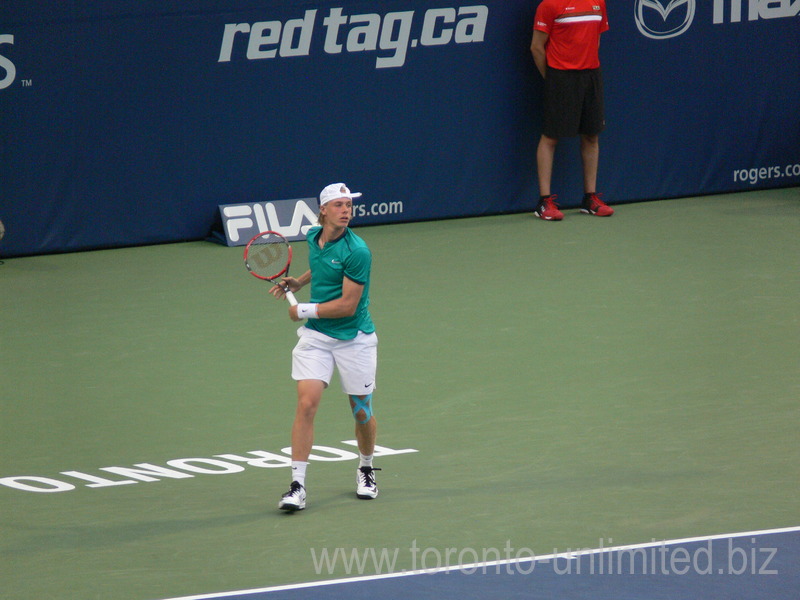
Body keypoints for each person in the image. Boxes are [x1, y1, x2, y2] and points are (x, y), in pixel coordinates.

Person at [270, 183, 379, 512]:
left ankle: (366, 468)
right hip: (317, 338)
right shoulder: (313, 237)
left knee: (361, 412)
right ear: (324, 211)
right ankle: (297, 486)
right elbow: (322, 264)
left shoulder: (358, 250)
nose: (347, 210)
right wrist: (299, 282)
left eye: (349, 205)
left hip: (354, 337)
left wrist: (302, 309)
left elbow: (347, 305)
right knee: (306, 405)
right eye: (340, 205)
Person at [530, 0, 614, 221]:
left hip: (591, 76)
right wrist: (553, 82)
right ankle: (544, 202)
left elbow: (595, 40)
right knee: (551, 137)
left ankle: (589, 199)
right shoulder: (549, 5)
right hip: (560, 77)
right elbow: (537, 47)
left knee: (591, 135)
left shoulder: (598, 3)